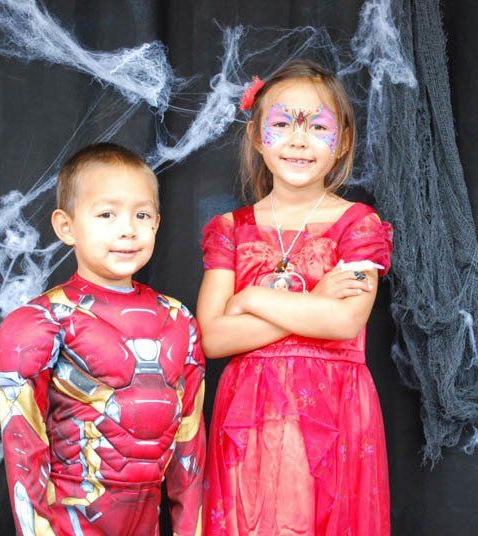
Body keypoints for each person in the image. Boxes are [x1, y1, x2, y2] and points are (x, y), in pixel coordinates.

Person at [198, 60, 393, 535]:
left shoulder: (359, 225)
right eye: (282, 124)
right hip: (250, 419)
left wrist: (249, 299)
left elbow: (344, 324)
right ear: (257, 137)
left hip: (334, 410)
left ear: (342, 140)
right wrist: (314, 301)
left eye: (318, 126)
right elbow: (212, 338)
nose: (299, 140)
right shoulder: (230, 230)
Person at [0, 143, 205, 536]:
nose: (127, 229)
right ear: (66, 226)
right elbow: (23, 452)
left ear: (156, 223)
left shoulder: (179, 322)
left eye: (141, 215)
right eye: (107, 214)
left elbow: (189, 447)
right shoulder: (38, 324)